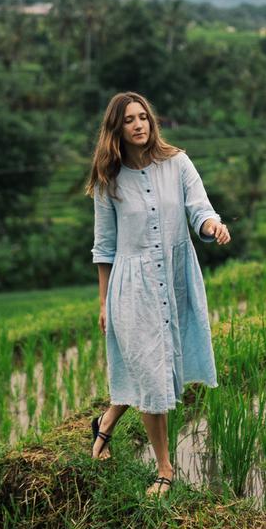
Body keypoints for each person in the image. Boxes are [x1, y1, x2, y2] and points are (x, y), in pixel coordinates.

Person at [85, 91, 231, 496]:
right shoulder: (107, 181)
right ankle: (165, 469)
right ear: (116, 128)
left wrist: (211, 227)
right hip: (132, 288)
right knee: (150, 370)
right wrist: (103, 303)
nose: (139, 124)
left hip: (175, 277)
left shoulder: (178, 163)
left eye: (143, 116)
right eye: (129, 119)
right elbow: (104, 248)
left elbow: (200, 209)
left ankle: (106, 423)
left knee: (158, 366)